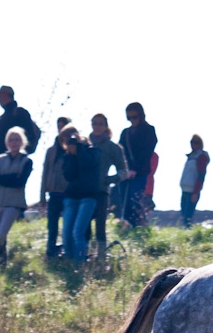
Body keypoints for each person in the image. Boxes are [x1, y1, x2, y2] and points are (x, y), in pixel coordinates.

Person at [0, 127, 33, 266]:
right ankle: (2, 262)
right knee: (0, 236)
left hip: (14, 203)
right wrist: (12, 177)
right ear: (7, 143)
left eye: (17, 139)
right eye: (11, 140)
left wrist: (5, 179)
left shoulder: (26, 161)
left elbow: (20, 182)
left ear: (22, 142)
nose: (14, 142)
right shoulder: (0, 159)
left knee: (1, 234)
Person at [88, 113, 128, 258]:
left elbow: (124, 171)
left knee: (100, 226)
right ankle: (84, 255)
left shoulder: (113, 148)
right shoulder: (84, 144)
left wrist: (109, 179)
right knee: (84, 225)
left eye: (100, 124)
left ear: (106, 126)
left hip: (101, 191)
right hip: (84, 191)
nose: (97, 126)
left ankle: (101, 256)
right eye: (94, 123)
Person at [61, 127, 102, 264]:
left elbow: (87, 164)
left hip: (88, 197)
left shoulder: (93, 152)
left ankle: (79, 264)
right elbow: (68, 175)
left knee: (78, 232)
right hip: (71, 197)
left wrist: (79, 149)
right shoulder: (68, 156)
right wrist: (71, 155)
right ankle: (70, 261)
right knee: (66, 234)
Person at [117, 102, 157, 227]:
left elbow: (146, 152)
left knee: (135, 201)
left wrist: (135, 169)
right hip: (125, 173)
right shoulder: (125, 133)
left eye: (135, 117)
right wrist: (123, 169)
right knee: (124, 203)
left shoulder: (149, 130)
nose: (132, 120)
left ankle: (139, 227)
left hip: (140, 172)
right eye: (130, 117)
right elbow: (119, 151)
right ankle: (127, 228)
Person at [38, 117, 71, 257]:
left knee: (67, 225)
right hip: (53, 193)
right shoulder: (51, 151)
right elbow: (45, 172)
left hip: (69, 193)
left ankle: (67, 250)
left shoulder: (74, 149)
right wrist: (42, 196)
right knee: (52, 225)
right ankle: (50, 251)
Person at [0, 85, 40, 162]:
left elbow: (31, 134)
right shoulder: (1, 119)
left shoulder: (20, 113)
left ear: (7, 95)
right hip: (4, 162)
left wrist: (23, 152)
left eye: (0, 96)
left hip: (19, 160)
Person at [179, 135, 210, 228]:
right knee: (183, 214)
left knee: (188, 216)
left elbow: (201, 175)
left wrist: (196, 193)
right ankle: (185, 231)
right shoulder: (190, 157)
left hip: (192, 191)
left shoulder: (201, 157)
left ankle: (189, 233)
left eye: (195, 142)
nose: (193, 145)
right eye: (191, 142)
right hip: (185, 189)